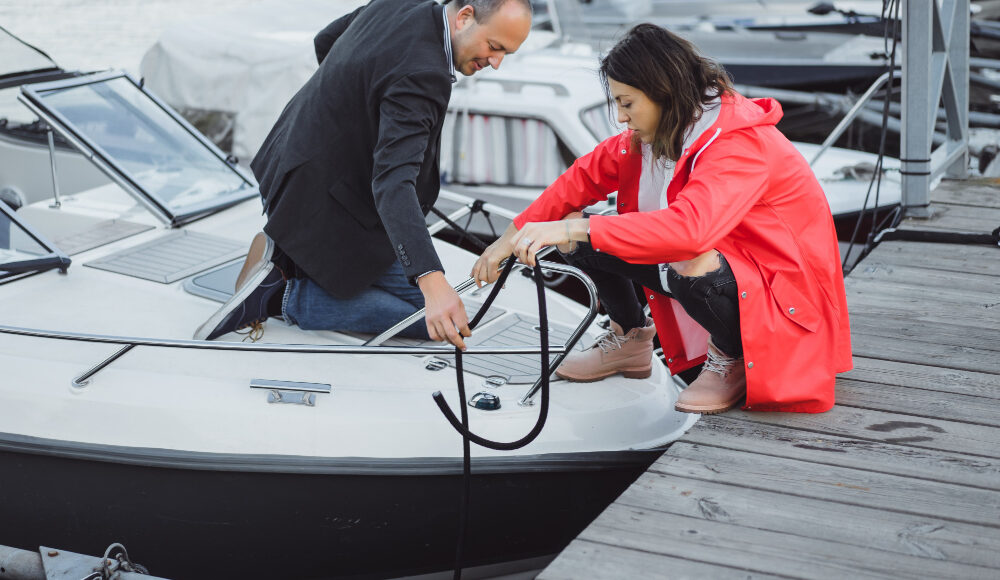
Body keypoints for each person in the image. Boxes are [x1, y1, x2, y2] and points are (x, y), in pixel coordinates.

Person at [472, 23, 852, 414]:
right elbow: (582, 177)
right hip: (739, 273)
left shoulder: (737, 142)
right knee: (575, 231)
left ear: (663, 91)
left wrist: (572, 226)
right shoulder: (665, 130)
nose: (620, 117)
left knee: (683, 254)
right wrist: (509, 238)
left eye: (627, 102)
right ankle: (630, 339)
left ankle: (733, 357)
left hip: (782, 299)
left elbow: (690, 231)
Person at [193, 0, 532, 349]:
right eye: (494, 47)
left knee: (423, 298)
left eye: (506, 53)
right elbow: (393, 182)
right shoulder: (424, 74)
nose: (496, 63)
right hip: (319, 206)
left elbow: (326, 40)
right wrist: (433, 280)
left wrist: (350, 119)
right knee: (438, 318)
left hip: (284, 159)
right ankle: (284, 295)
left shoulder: (405, 4)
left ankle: (287, 253)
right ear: (464, 18)